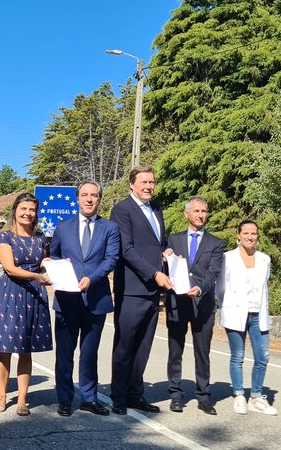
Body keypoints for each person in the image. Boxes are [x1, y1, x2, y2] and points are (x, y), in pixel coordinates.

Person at [48, 181, 119, 417]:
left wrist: (91, 278)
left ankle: (89, 398)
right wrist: (54, 264)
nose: (89, 199)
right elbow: (54, 254)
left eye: (94, 195)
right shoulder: (63, 226)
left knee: (89, 353)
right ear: (77, 198)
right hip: (67, 300)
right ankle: (65, 399)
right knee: (64, 354)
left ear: (99, 199)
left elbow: (111, 259)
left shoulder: (110, 228)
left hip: (96, 299)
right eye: (85, 195)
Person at [109, 166, 172, 415]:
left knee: (144, 345)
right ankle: (118, 396)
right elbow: (127, 249)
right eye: (144, 182)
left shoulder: (156, 209)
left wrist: (166, 251)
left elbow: (157, 244)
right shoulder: (122, 210)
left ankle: (135, 394)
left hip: (153, 291)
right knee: (125, 345)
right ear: (132, 184)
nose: (149, 186)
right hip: (132, 289)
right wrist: (155, 273)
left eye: (152, 182)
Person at [0, 193, 52, 416]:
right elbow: (10, 268)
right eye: (24, 209)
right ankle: (2, 396)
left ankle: (22, 399)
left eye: (32, 210)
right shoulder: (5, 237)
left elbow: (41, 264)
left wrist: (50, 265)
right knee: (4, 348)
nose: (27, 213)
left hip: (34, 295)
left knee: (26, 349)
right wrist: (36, 276)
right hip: (10, 294)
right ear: (15, 210)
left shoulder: (40, 238)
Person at [164, 197, 224, 414]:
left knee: (202, 352)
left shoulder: (216, 243)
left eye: (204, 211)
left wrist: (200, 289)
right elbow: (167, 267)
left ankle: (203, 396)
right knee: (175, 351)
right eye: (196, 211)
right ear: (186, 214)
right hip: (177, 302)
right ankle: (175, 394)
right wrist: (166, 257)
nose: (200, 215)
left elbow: (213, 272)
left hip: (203, 304)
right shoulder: (174, 239)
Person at [220, 220, 277, 416]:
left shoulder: (264, 259)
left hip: (258, 314)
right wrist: (226, 305)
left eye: (253, 233)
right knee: (238, 355)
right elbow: (221, 287)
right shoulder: (227, 258)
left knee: (263, 357)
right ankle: (238, 394)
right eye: (245, 233)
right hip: (235, 313)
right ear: (238, 235)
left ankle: (256, 397)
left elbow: (264, 286)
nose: (250, 237)